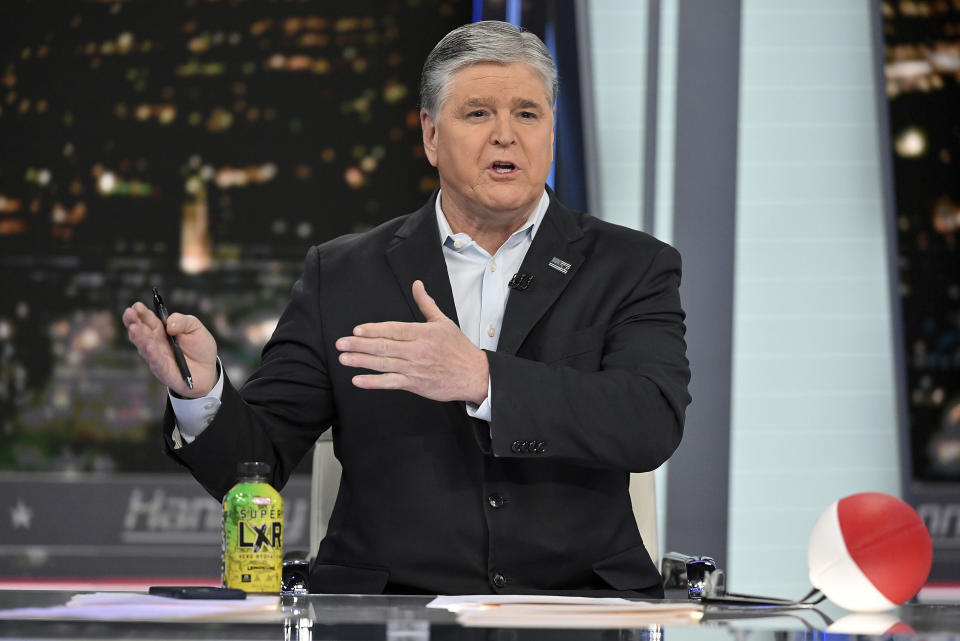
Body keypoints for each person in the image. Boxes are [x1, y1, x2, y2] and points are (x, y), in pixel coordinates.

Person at [123, 20, 691, 596]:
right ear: (430, 135)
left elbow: (650, 422)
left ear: (549, 130)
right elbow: (255, 467)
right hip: (391, 609)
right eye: (477, 114)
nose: (505, 135)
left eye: (527, 113)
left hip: (576, 606)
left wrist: (483, 379)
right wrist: (202, 397)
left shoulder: (630, 265)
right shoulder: (343, 273)